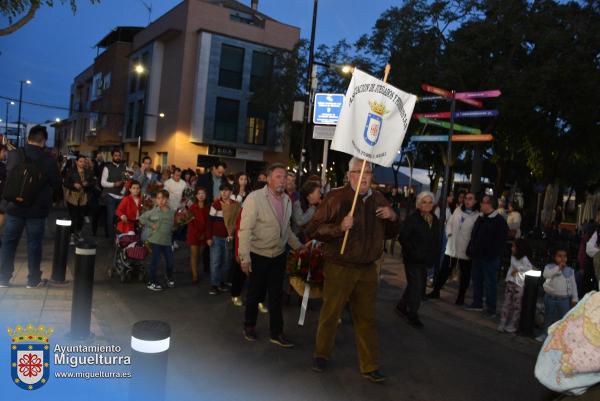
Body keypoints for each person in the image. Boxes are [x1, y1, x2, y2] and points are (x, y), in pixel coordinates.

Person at [306, 158, 399, 382]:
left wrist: (393, 217)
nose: (365, 175)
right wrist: (339, 227)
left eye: (368, 171)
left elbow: (391, 232)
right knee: (331, 313)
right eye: (359, 171)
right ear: (350, 175)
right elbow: (313, 229)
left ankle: (370, 365)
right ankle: (321, 354)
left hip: (367, 268)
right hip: (339, 266)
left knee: (366, 318)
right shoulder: (336, 197)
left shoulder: (378, 199)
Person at [238, 163, 304, 348]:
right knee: (255, 293)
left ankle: (277, 333)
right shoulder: (255, 198)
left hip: (279, 255)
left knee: (276, 296)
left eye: (285, 177)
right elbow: (244, 230)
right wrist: (244, 257)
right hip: (258, 254)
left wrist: (300, 247)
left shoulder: (287, 200)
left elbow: (287, 230)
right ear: (268, 178)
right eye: (278, 176)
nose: (283, 180)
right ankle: (249, 326)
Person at [0, 125, 61, 288]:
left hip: (14, 207)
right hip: (37, 210)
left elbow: (8, 176)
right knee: (34, 244)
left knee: (9, 242)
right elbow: (56, 183)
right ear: (44, 141)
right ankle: (33, 280)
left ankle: (3, 278)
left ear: (28, 138)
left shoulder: (14, 155)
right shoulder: (48, 160)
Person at [396, 191, 441, 329]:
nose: (427, 205)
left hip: (425, 260)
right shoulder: (413, 218)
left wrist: (433, 256)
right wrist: (413, 252)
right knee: (418, 286)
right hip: (412, 259)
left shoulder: (435, 219)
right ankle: (412, 314)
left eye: (429, 202)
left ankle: (402, 305)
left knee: (414, 284)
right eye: (424, 202)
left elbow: (435, 240)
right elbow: (403, 238)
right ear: (418, 204)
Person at [428, 192, 479, 304]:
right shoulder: (457, 210)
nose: (467, 200)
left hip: (465, 250)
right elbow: (449, 223)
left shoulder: (477, 216)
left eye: (470, 198)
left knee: (464, 275)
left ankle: (460, 297)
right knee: (444, 271)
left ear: (475, 201)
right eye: (466, 198)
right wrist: (449, 233)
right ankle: (436, 291)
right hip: (452, 248)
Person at [465, 195, 509, 317]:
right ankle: (477, 303)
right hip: (477, 256)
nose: (481, 204)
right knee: (477, 280)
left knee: (490, 283)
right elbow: (474, 235)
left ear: (490, 205)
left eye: (483, 203)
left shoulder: (499, 221)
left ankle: (491, 309)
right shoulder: (481, 217)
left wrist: (492, 255)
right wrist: (470, 250)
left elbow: (500, 242)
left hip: (489, 258)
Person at [536, 246, 578, 342]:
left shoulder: (570, 270)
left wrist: (574, 299)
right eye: (559, 256)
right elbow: (546, 275)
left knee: (562, 319)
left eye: (565, 256)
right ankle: (545, 334)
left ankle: (559, 337)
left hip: (564, 300)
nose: (563, 258)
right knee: (548, 317)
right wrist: (558, 268)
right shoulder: (550, 267)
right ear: (554, 257)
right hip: (550, 298)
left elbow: (574, 285)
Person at [207, 183, 240, 295]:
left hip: (229, 238)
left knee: (227, 261)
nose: (224, 193)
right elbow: (210, 222)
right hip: (216, 237)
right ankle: (214, 285)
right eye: (222, 191)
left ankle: (222, 282)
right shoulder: (216, 204)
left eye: (226, 191)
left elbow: (238, 221)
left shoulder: (236, 205)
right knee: (215, 261)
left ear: (231, 192)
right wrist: (209, 237)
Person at [139, 190, 176, 291]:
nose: (161, 201)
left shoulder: (172, 212)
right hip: (155, 240)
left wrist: (174, 227)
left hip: (167, 241)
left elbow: (175, 225)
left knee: (170, 262)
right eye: (159, 198)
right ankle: (151, 282)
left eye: (163, 198)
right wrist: (151, 225)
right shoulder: (154, 211)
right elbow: (142, 218)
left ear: (167, 199)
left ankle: (168, 277)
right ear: (156, 200)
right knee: (154, 261)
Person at [498, 239, 533, 333]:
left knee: (516, 305)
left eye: (514, 246)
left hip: (519, 283)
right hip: (511, 282)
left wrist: (518, 269)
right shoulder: (513, 256)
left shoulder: (524, 258)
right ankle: (503, 322)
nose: (512, 248)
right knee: (507, 303)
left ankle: (512, 325)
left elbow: (529, 268)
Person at [63, 154, 95, 243]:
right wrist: (73, 185)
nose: (82, 163)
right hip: (72, 196)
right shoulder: (71, 171)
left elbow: (93, 183)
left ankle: (78, 232)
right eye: (80, 161)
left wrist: (87, 184)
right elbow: (65, 183)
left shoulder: (88, 172)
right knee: (73, 216)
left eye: (84, 161)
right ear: (76, 162)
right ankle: (72, 234)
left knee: (81, 216)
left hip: (83, 196)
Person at [101, 149, 126, 239]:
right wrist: (114, 184)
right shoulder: (107, 167)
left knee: (119, 217)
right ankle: (111, 238)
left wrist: (124, 189)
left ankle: (118, 236)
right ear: (112, 156)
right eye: (116, 155)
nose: (118, 157)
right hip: (110, 195)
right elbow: (103, 183)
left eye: (119, 155)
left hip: (121, 196)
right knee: (111, 217)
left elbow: (126, 181)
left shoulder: (124, 167)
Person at [187, 187, 209, 284]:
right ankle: (195, 274)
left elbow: (209, 223)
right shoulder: (192, 207)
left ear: (205, 195)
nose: (201, 195)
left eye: (203, 193)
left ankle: (193, 268)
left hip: (204, 235)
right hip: (194, 234)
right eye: (199, 193)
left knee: (199, 255)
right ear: (196, 196)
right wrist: (197, 234)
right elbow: (190, 223)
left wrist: (205, 234)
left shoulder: (208, 208)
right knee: (194, 255)